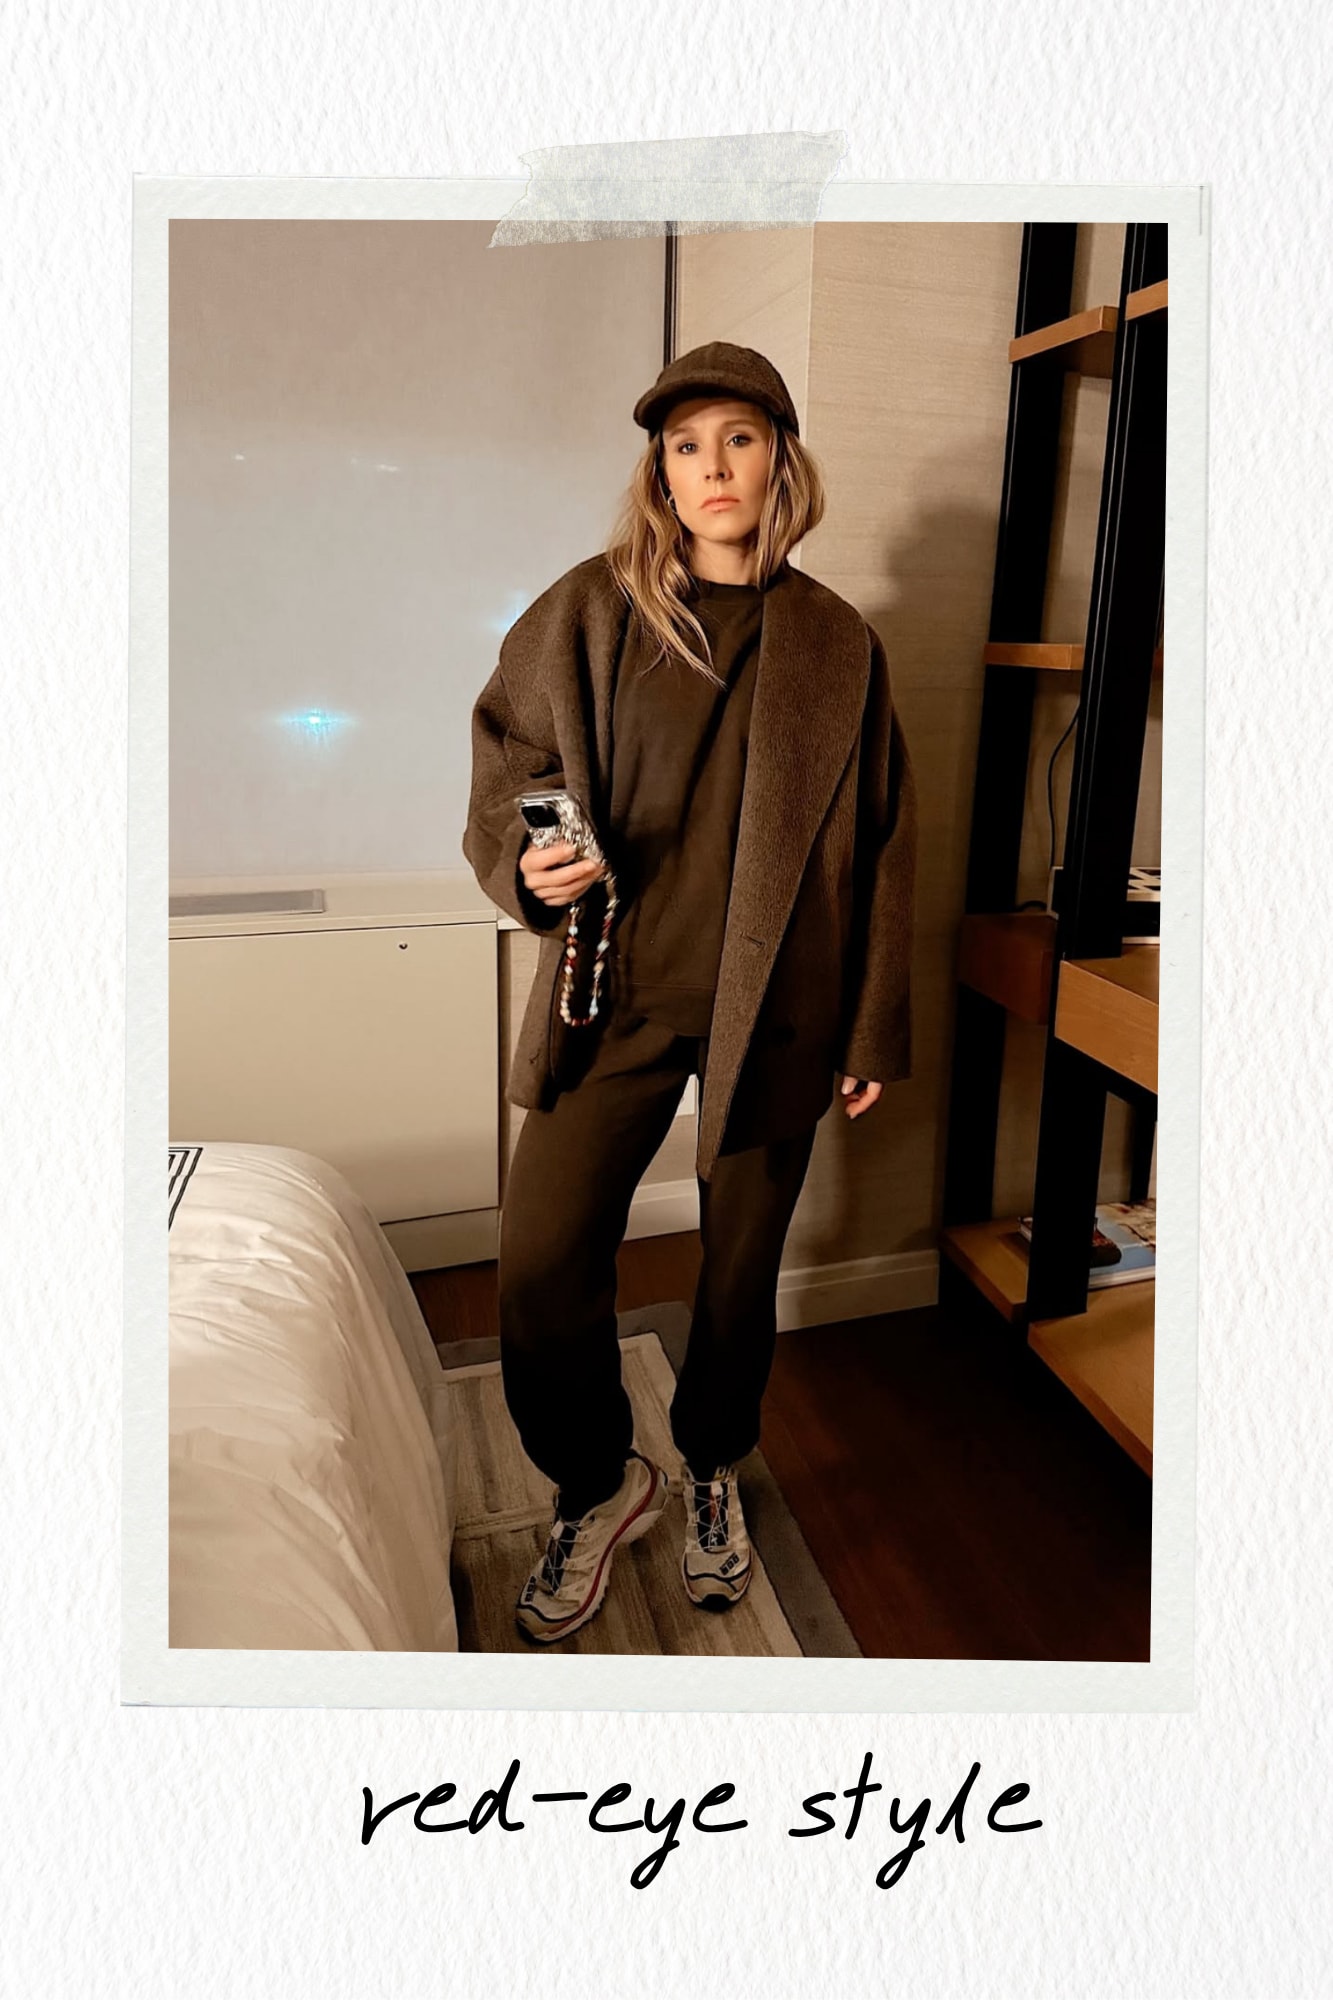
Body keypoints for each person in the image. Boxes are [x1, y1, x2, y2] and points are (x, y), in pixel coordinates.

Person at [463, 340, 917, 1645]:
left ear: (780, 460)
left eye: (738, 439)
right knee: (543, 1259)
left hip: (780, 1004)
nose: (712, 466)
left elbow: (886, 838)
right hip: (610, 990)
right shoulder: (591, 610)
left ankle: (712, 1462)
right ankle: (599, 1482)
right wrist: (526, 863)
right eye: (684, 445)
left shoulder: (838, 642)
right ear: (659, 472)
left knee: (737, 1268)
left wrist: (871, 1020)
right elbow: (509, 755)